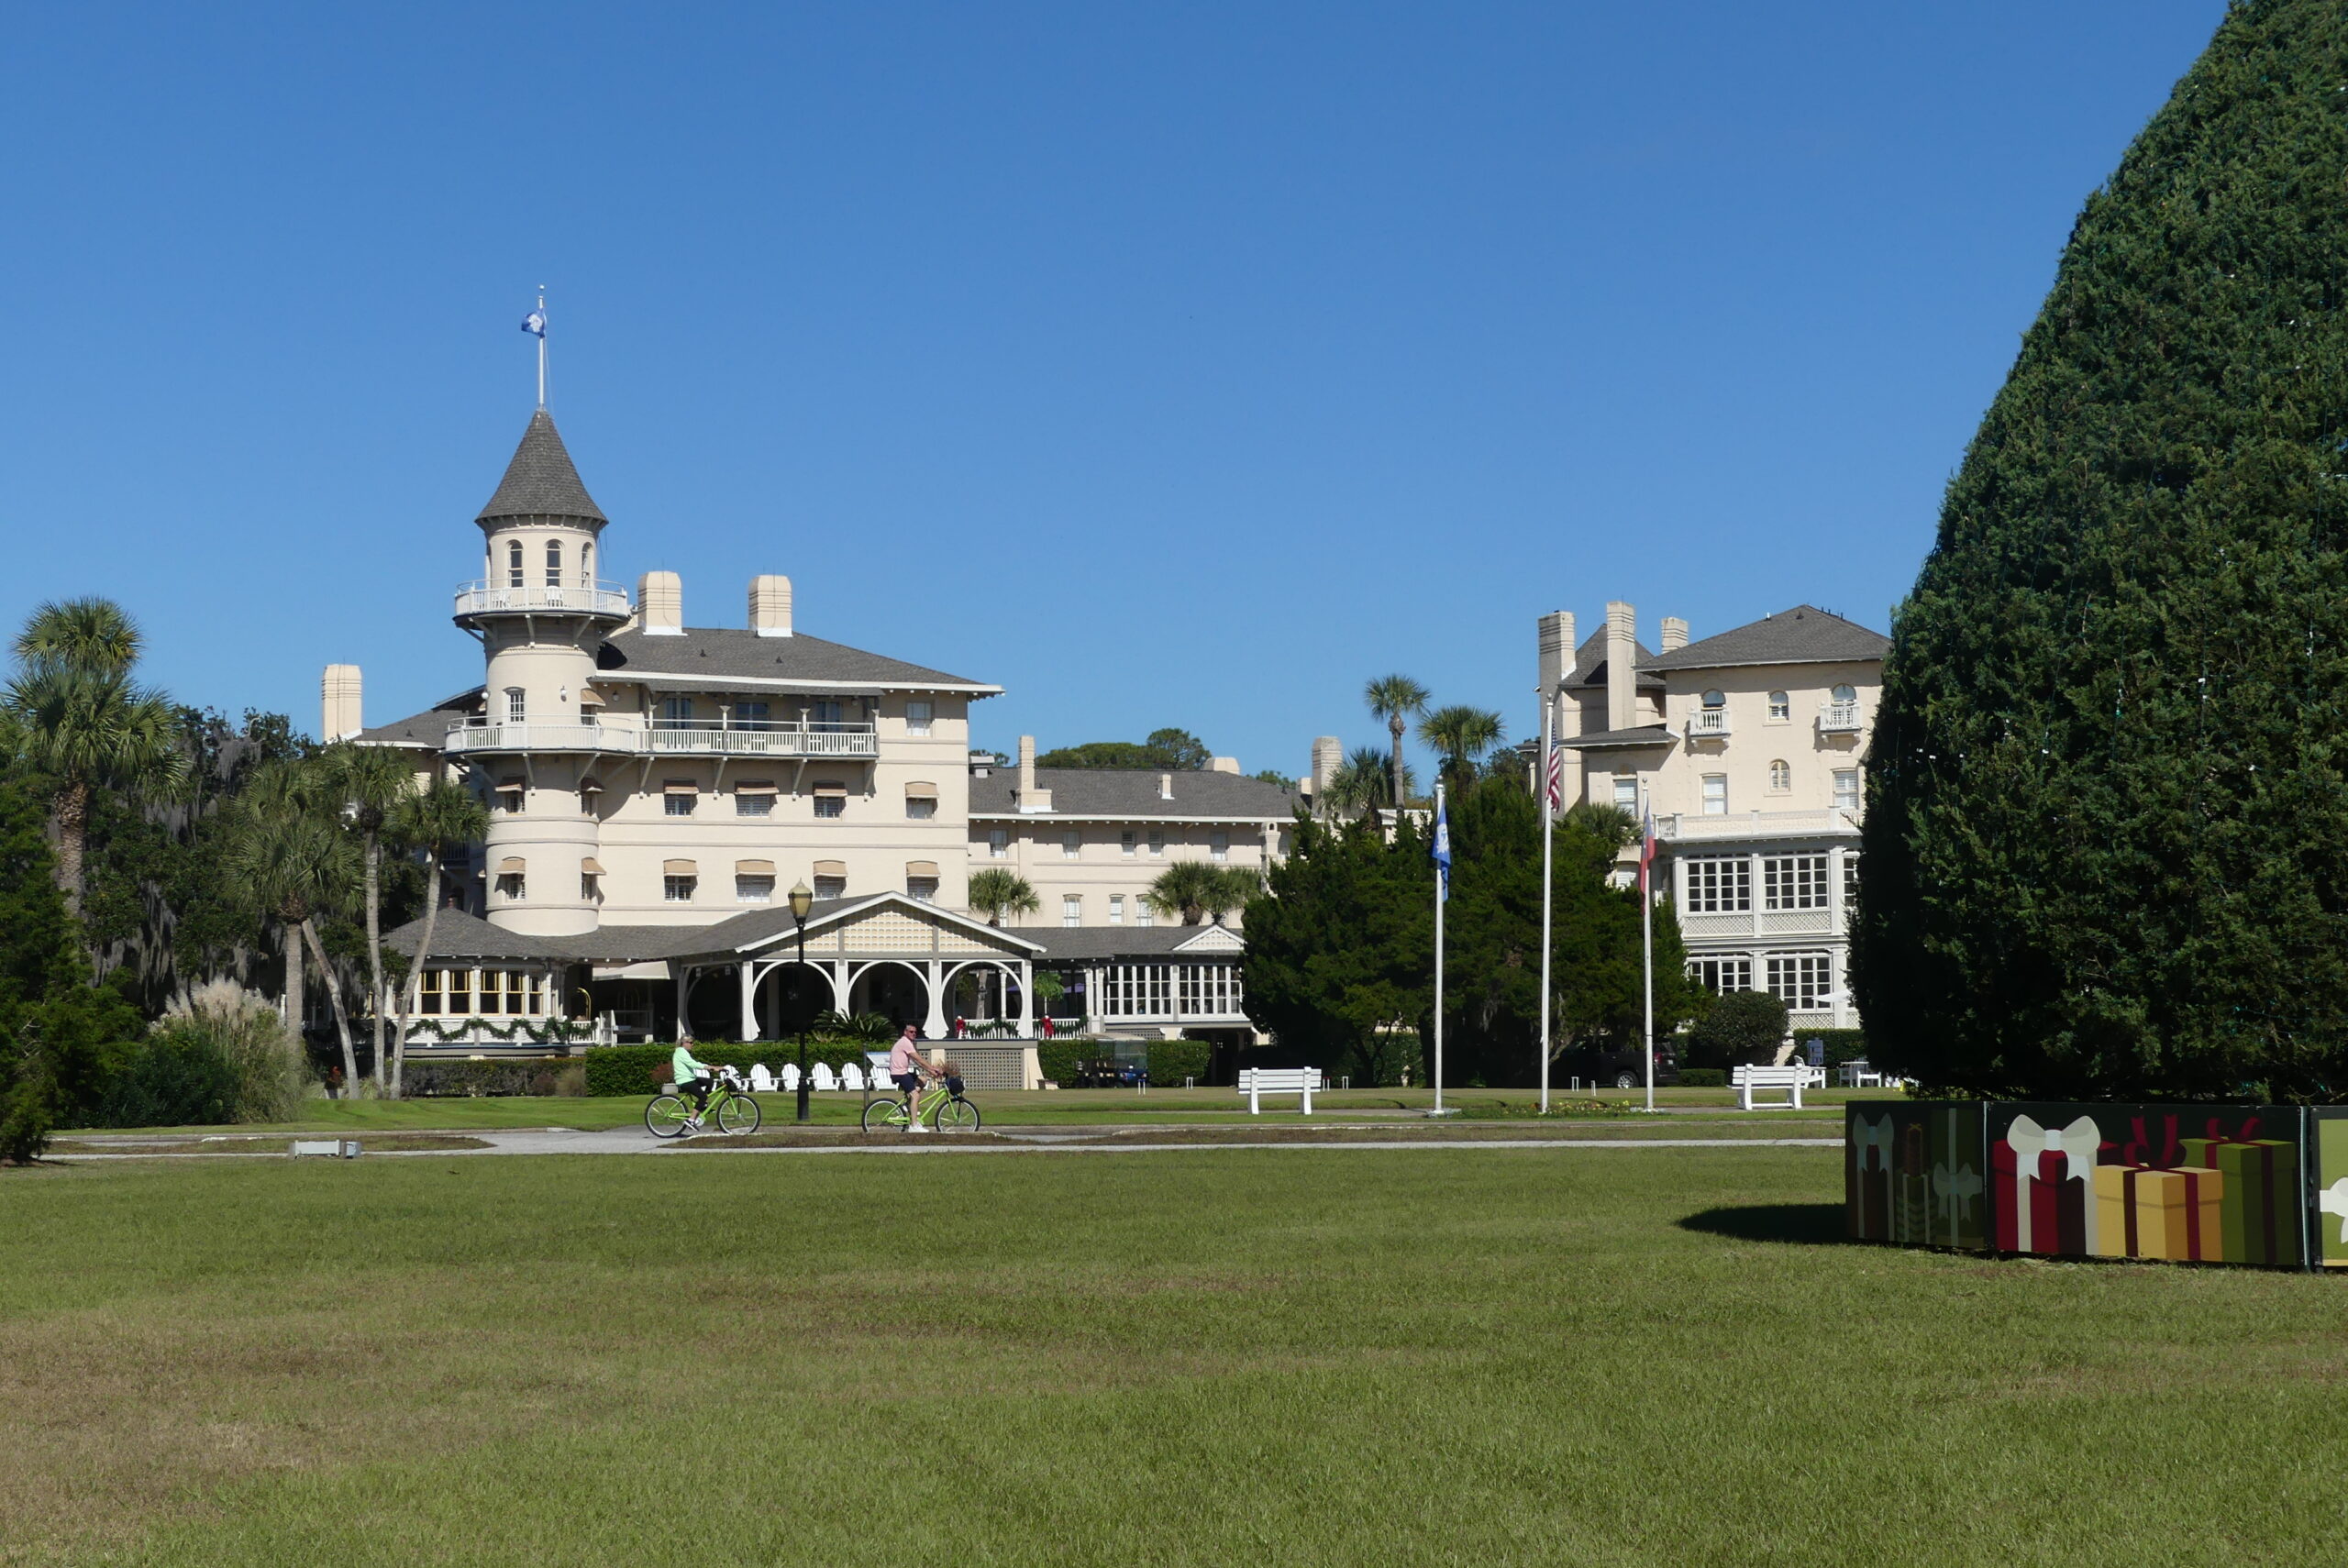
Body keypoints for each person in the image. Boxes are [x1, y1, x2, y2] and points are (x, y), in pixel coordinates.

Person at [888, 1023, 934, 1132]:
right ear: (905, 1032)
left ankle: (908, 1103)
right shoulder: (905, 1042)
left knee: (923, 1080)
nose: (913, 1034)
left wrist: (930, 1070)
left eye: (915, 1032)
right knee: (915, 1095)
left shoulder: (908, 1043)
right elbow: (919, 1059)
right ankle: (914, 1125)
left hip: (903, 1072)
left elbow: (918, 1062)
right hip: (899, 1073)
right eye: (911, 1032)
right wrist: (932, 1069)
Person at [672, 1036, 714, 1129]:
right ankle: (691, 1120)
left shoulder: (684, 1052)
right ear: (684, 1043)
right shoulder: (681, 1052)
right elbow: (693, 1064)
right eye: (691, 1043)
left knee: (710, 1082)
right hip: (684, 1081)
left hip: (690, 1078)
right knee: (703, 1096)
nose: (692, 1044)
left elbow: (693, 1063)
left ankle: (703, 1105)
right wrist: (710, 1067)